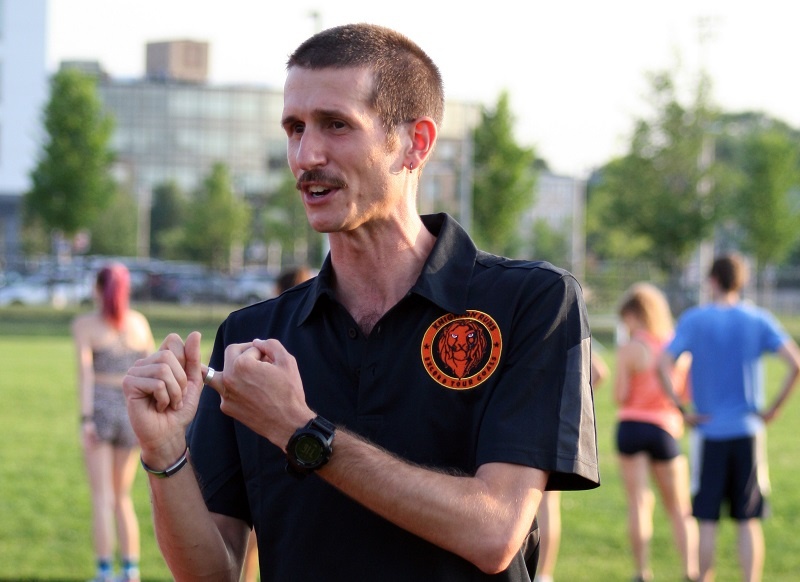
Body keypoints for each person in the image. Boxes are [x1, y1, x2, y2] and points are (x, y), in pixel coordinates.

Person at [122, 23, 599, 581]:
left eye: (336, 125)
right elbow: (213, 574)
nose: (306, 155)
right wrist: (165, 455)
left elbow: (494, 531)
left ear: (415, 144)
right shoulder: (250, 337)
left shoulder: (531, 302)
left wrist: (302, 432)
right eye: (294, 128)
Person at [659, 254, 800, 582]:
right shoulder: (758, 319)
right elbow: (795, 363)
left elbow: (663, 363)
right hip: (748, 431)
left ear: (711, 280)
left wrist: (680, 407)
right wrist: (775, 408)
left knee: (706, 519)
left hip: (709, 432)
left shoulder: (694, 320)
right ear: (741, 281)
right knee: (747, 519)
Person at [72, 263, 155, 582]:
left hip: (102, 410)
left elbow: (85, 374)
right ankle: (131, 571)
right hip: (132, 411)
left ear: (97, 289)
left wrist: (86, 418)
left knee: (102, 497)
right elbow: (151, 369)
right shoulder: (139, 323)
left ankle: (105, 571)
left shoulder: (86, 325)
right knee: (122, 497)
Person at [614, 283, 698, 582]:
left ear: (636, 315)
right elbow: (685, 395)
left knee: (639, 502)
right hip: (664, 428)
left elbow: (621, 394)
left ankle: (641, 571)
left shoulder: (631, 349)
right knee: (679, 508)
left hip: (631, 428)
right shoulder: (676, 348)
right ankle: (690, 570)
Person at [240, 265, 314, 582]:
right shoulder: (284, 331)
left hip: (286, 444)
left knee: (255, 536)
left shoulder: (267, 333)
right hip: (284, 442)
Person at [534, 350, 608, 582]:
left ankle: (540, 573)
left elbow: (599, 370)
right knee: (546, 503)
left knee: (541, 501)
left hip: (533, 416)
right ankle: (542, 575)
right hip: (550, 418)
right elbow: (599, 371)